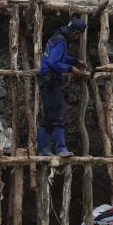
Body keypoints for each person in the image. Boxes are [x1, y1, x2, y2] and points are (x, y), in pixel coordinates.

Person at [37, 18, 88, 156]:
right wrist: (71, 68)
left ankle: (44, 149)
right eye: (77, 35)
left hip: (45, 80)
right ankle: (61, 148)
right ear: (75, 32)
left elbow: (59, 57)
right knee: (59, 114)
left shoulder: (56, 37)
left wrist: (76, 61)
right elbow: (54, 63)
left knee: (48, 117)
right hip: (50, 80)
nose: (77, 38)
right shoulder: (62, 41)